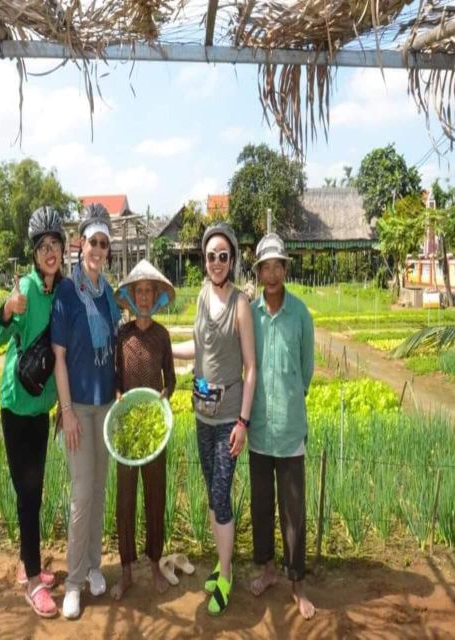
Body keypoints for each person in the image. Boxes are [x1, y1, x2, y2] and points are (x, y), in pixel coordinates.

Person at [171, 222, 256, 615]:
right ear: (203, 261)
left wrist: (243, 423)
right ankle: (223, 565)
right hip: (202, 415)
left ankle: (226, 574)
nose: (217, 262)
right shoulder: (204, 296)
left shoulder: (240, 304)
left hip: (227, 419)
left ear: (232, 259)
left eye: (224, 256)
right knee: (212, 492)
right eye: (211, 256)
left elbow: (250, 368)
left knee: (221, 496)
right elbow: (199, 348)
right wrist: (164, 348)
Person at [0, 206, 65, 618]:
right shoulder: (26, 290)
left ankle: (26, 564)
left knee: (33, 493)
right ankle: (33, 583)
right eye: (43, 247)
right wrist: (6, 309)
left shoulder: (61, 292)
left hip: (41, 408)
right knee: (28, 493)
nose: (50, 252)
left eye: (55, 244)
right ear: (35, 254)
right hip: (17, 406)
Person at [51, 203, 121, 620]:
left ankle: (95, 565)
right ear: (80, 246)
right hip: (77, 407)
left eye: (103, 244)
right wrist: (67, 412)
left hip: (105, 406)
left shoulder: (108, 292)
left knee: (98, 490)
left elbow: (115, 346)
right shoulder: (67, 292)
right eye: (92, 242)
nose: (97, 249)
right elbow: (59, 357)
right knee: (81, 494)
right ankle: (74, 581)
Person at [248, 232, 315, 620]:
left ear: (285, 270)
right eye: (265, 267)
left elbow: (306, 370)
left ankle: (297, 583)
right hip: (258, 430)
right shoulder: (250, 314)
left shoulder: (300, 314)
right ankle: (268, 570)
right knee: (261, 507)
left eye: (277, 266)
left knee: (293, 511)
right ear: (258, 273)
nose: (271, 274)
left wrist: (290, 400)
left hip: (289, 430)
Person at [110, 259, 177, 601]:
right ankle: (125, 570)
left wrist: (164, 397)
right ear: (132, 297)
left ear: (156, 296)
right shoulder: (122, 335)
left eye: (150, 291)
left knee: (155, 495)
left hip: (153, 430)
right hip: (126, 431)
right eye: (140, 291)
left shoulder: (162, 336)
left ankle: (154, 562)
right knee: (125, 499)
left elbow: (173, 380)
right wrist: (120, 396)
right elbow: (115, 381)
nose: (145, 296)